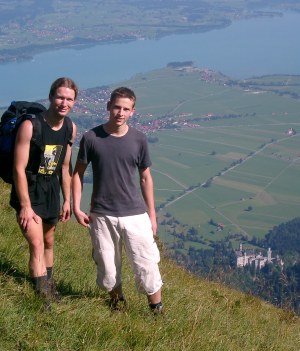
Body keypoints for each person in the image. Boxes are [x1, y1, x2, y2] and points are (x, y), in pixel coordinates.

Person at [72, 87, 163, 313]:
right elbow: (77, 173)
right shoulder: (91, 138)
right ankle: (117, 305)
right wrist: (76, 207)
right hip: (102, 214)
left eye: (125, 109)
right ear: (108, 107)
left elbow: (145, 178)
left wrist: (152, 215)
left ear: (133, 111)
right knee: (108, 268)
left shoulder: (139, 139)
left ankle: (157, 310)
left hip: (135, 213)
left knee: (146, 264)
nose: (120, 113)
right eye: (116, 107)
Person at [10, 77, 78, 302]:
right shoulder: (31, 126)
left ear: (74, 102)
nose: (64, 103)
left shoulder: (70, 128)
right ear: (50, 97)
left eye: (69, 99)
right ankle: (42, 300)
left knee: (49, 242)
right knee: (37, 244)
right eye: (60, 97)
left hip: (51, 191)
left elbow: (65, 166)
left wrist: (67, 200)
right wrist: (25, 206)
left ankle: (49, 287)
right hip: (29, 189)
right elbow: (18, 169)